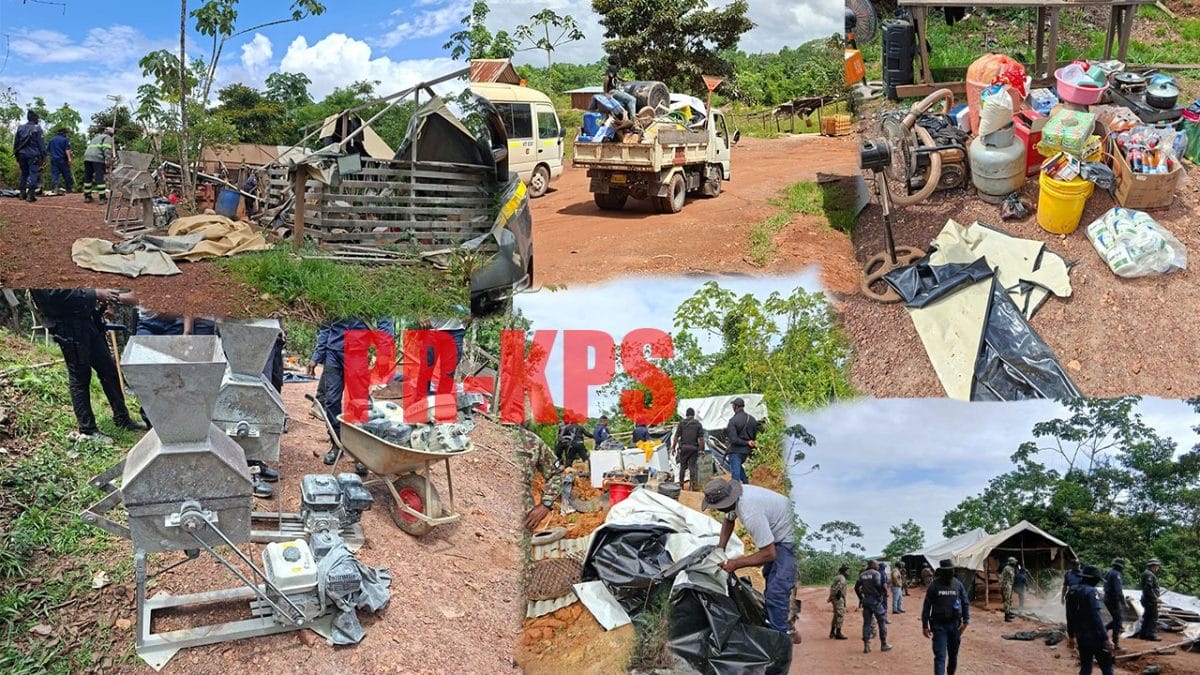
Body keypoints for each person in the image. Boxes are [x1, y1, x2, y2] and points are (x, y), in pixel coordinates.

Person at [29, 289, 147, 443]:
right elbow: (53, 297)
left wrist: (99, 299)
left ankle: (122, 418)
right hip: (67, 325)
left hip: (87, 321)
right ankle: (88, 430)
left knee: (109, 370)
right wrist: (94, 294)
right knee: (80, 376)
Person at [705, 478, 797, 638]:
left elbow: (769, 554)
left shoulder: (750, 512)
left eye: (718, 507)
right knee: (769, 575)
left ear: (727, 501)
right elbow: (729, 520)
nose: (718, 510)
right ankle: (779, 621)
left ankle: (781, 639)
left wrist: (735, 564)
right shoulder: (736, 497)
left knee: (777, 590)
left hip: (791, 538)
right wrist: (720, 549)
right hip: (780, 534)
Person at [316, 317, 396, 464]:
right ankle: (336, 443)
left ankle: (361, 453)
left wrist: (384, 354)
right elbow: (326, 323)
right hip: (333, 352)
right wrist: (318, 354)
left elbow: (385, 320)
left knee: (359, 402)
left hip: (357, 350)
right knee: (331, 400)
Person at [1066, 564, 1116, 675]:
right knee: (1107, 667)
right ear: (1093, 579)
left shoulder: (1072, 591)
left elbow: (1069, 616)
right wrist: (1106, 638)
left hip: (1081, 636)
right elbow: (1096, 616)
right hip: (1096, 636)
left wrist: (1071, 636)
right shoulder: (1091, 592)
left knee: (1086, 666)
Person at [922, 559, 970, 675]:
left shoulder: (957, 584)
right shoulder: (934, 586)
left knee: (953, 656)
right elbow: (927, 606)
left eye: (951, 570)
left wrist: (966, 621)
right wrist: (925, 625)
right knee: (940, 656)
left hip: (955, 626)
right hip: (939, 626)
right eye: (947, 570)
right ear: (941, 571)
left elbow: (965, 602)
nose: (949, 572)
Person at [517, 426, 564, 532]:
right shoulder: (475, 436)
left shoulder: (531, 441)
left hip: (520, 525)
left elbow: (557, 472)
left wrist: (546, 504)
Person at [854, 559, 892, 653]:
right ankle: (883, 644)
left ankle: (866, 646)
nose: (878, 566)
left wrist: (861, 598)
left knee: (866, 623)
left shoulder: (862, 575)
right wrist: (881, 595)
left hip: (866, 601)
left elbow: (856, 587)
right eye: (876, 564)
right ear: (873, 565)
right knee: (881, 621)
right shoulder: (876, 573)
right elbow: (878, 584)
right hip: (875, 601)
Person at [14, 110, 47, 202]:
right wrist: (44, 157)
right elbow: (41, 145)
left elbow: (16, 143)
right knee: (33, 173)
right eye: (37, 118)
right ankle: (30, 195)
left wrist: (17, 155)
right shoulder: (37, 129)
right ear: (35, 119)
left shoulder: (20, 128)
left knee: (24, 173)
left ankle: (22, 193)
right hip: (33, 155)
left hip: (21, 155)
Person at [671, 407, 705, 491]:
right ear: (693, 415)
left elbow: (676, 437)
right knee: (692, 467)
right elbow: (701, 439)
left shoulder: (682, 423)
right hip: (693, 448)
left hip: (683, 448)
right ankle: (692, 486)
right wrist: (702, 450)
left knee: (682, 467)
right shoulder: (698, 424)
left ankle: (681, 485)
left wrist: (673, 447)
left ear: (686, 415)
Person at [725, 397, 757, 484]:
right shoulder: (752, 419)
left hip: (735, 451)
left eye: (733, 405)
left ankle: (736, 494)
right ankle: (747, 485)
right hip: (746, 451)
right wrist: (748, 443)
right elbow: (753, 437)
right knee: (738, 467)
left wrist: (745, 442)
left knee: (735, 477)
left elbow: (733, 439)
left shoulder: (733, 421)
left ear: (736, 406)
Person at [83, 126, 114, 203]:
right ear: (112, 134)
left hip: (87, 158)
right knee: (99, 177)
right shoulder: (108, 138)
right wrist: (108, 161)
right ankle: (102, 198)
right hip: (97, 158)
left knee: (88, 177)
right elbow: (106, 149)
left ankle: (87, 197)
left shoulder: (97, 137)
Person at [1136, 559, 1163, 641]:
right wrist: (1155, 598)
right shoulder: (1149, 574)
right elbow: (1148, 588)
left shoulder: (1148, 573)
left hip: (1148, 599)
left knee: (1147, 616)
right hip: (1149, 600)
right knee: (1153, 616)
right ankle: (1151, 634)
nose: (1157, 568)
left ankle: (1143, 634)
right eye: (1157, 566)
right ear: (1154, 566)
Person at [1103, 558, 1126, 651]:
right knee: (1118, 621)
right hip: (1113, 600)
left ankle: (1104, 629)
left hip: (1107, 598)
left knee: (1115, 619)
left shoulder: (1109, 572)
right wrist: (1123, 601)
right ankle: (1115, 643)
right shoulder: (1116, 574)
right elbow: (1118, 590)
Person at [47, 128, 74, 194]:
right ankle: (69, 188)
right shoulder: (65, 140)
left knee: (55, 174)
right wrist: (69, 159)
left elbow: (48, 150)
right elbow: (67, 150)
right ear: (64, 133)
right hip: (62, 159)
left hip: (54, 159)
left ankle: (54, 188)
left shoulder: (51, 140)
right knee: (67, 174)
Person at [828, 564, 849, 640]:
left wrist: (831, 597)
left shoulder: (837, 577)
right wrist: (839, 597)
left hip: (835, 598)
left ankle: (832, 632)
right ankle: (838, 633)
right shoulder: (842, 578)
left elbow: (833, 587)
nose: (848, 573)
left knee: (836, 615)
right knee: (840, 615)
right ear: (844, 572)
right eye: (847, 571)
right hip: (838, 598)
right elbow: (839, 588)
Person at [1000, 557, 1017, 622]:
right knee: (1007, 600)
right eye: (1014, 561)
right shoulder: (1007, 568)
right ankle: (1006, 617)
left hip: (1009, 585)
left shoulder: (1011, 568)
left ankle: (1008, 613)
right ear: (1011, 562)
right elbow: (1011, 575)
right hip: (1006, 585)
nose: (1015, 563)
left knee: (1009, 600)